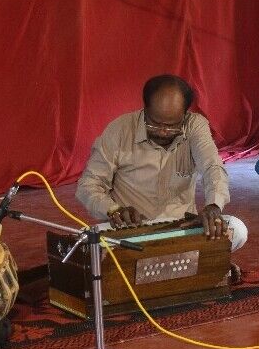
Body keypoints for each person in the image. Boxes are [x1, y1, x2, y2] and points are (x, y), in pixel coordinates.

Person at [76, 75, 247, 260]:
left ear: (185, 115)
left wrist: (213, 206)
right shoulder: (119, 130)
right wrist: (113, 209)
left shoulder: (195, 126)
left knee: (236, 229)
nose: (163, 132)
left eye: (172, 126)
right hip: (130, 231)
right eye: (155, 123)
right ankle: (191, 263)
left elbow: (212, 166)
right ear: (145, 109)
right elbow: (88, 185)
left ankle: (164, 263)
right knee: (85, 242)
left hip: (180, 228)